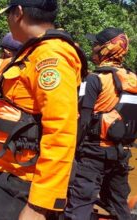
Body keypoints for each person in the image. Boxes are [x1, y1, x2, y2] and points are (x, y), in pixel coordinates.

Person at [0, 0, 87, 219]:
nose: (7, 21)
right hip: (11, 175)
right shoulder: (34, 51)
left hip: (25, 183)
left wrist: (39, 204)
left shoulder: (51, 57)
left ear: (18, 13)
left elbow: (61, 131)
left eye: (8, 14)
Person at [65, 27, 136, 220]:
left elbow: (84, 121)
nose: (92, 48)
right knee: (120, 205)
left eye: (96, 44)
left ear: (105, 49)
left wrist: (71, 150)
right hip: (119, 153)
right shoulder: (132, 78)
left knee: (79, 205)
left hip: (91, 153)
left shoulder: (94, 79)